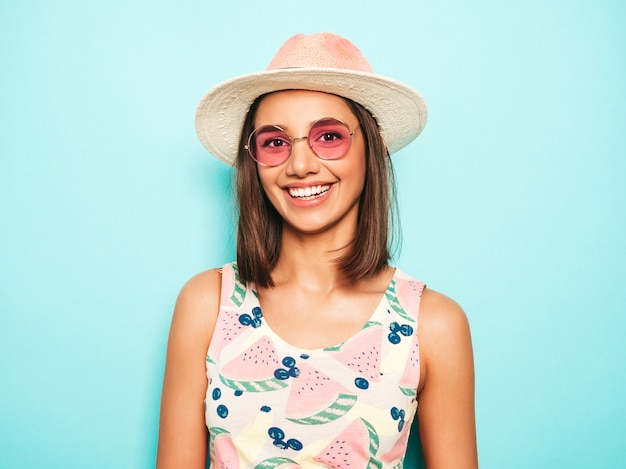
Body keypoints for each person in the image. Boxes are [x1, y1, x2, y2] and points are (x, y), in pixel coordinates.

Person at [157, 33, 477, 468]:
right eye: (275, 142)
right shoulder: (206, 304)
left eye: (328, 136)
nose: (301, 164)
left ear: (373, 148)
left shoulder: (434, 324)